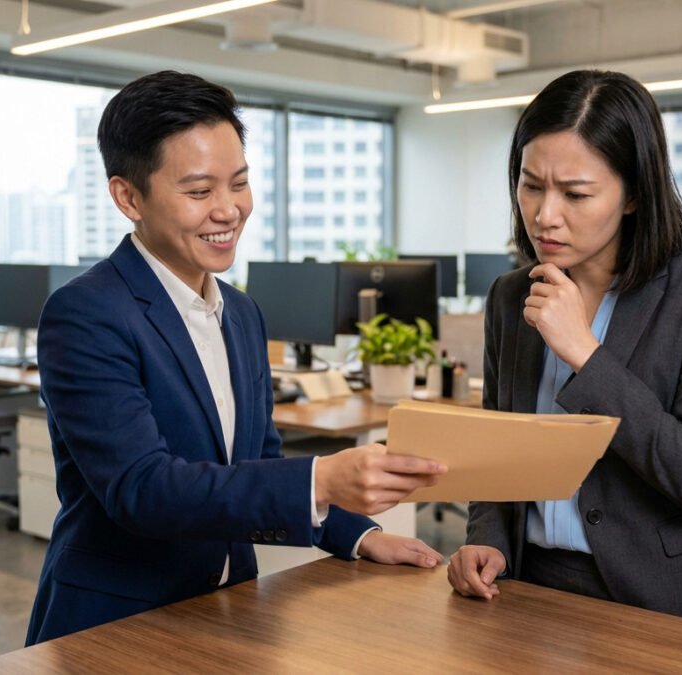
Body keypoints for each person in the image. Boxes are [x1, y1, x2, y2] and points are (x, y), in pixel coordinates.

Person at [26, 70, 446, 645]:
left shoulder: (242, 313)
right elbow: (143, 489)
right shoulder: (86, 313)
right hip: (118, 622)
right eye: (199, 192)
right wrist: (323, 478)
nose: (228, 211)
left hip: (228, 610)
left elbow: (259, 457)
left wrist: (357, 535)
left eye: (239, 183)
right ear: (128, 197)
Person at [446, 70, 682, 631]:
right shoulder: (512, 296)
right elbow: (499, 449)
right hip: (534, 588)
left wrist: (586, 355)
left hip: (667, 598)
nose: (545, 215)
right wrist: (489, 538)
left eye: (576, 194)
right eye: (531, 185)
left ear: (633, 195)